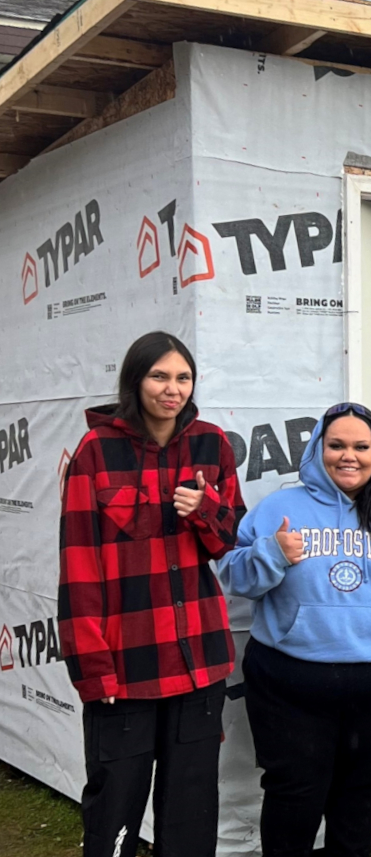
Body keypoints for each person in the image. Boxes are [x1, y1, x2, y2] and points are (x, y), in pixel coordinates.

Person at [218, 403, 371, 857]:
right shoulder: (281, 508)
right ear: (317, 449)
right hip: (292, 685)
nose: (349, 456)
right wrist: (272, 553)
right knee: (294, 798)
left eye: (361, 446)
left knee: (359, 796)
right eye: (337, 445)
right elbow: (234, 577)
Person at [59, 331, 243, 857]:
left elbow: (229, 539)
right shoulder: (96, 452)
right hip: (126, 669)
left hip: (199, 664)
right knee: (113, 816)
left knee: (190, 817)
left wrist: (204, 509)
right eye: (159, 376)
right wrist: (93, 671)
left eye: (182, 377)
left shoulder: (212, 443)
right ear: (135, 381)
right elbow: (77, 569)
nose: (173, 389)